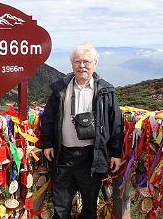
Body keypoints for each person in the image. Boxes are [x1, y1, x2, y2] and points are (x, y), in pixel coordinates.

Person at [41, 42, 123, 219]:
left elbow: (115, 123)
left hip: (91, 157)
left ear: (95, 63)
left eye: (86, 61)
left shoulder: (106, 91)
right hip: (63, 155)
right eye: (77, 61)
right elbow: (48, 117)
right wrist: (48, 143)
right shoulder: (60, 89)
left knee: (89, 206)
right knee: (61, 206)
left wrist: (115, 152)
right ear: (72, 65)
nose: (82, 66)